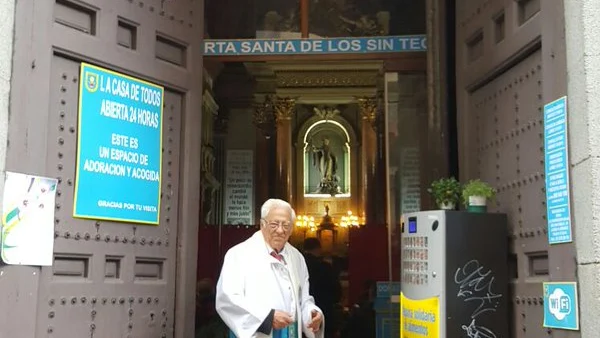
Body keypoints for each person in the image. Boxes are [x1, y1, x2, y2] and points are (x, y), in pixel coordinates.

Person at [216, 198, 325, 338]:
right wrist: (268, 317)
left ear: (292, 228)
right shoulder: (239, 254)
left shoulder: (296, 257)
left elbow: (303, 299)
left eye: (286, 225)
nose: (280, 230)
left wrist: (312, 314)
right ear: (262, 224)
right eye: (274, 224)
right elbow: (227, 299)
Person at [302, 238, 341, 338]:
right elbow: (337, 293)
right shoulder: (325, 268)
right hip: (324, 309)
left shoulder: (297, 265)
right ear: (318, 249)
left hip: (301, 315)